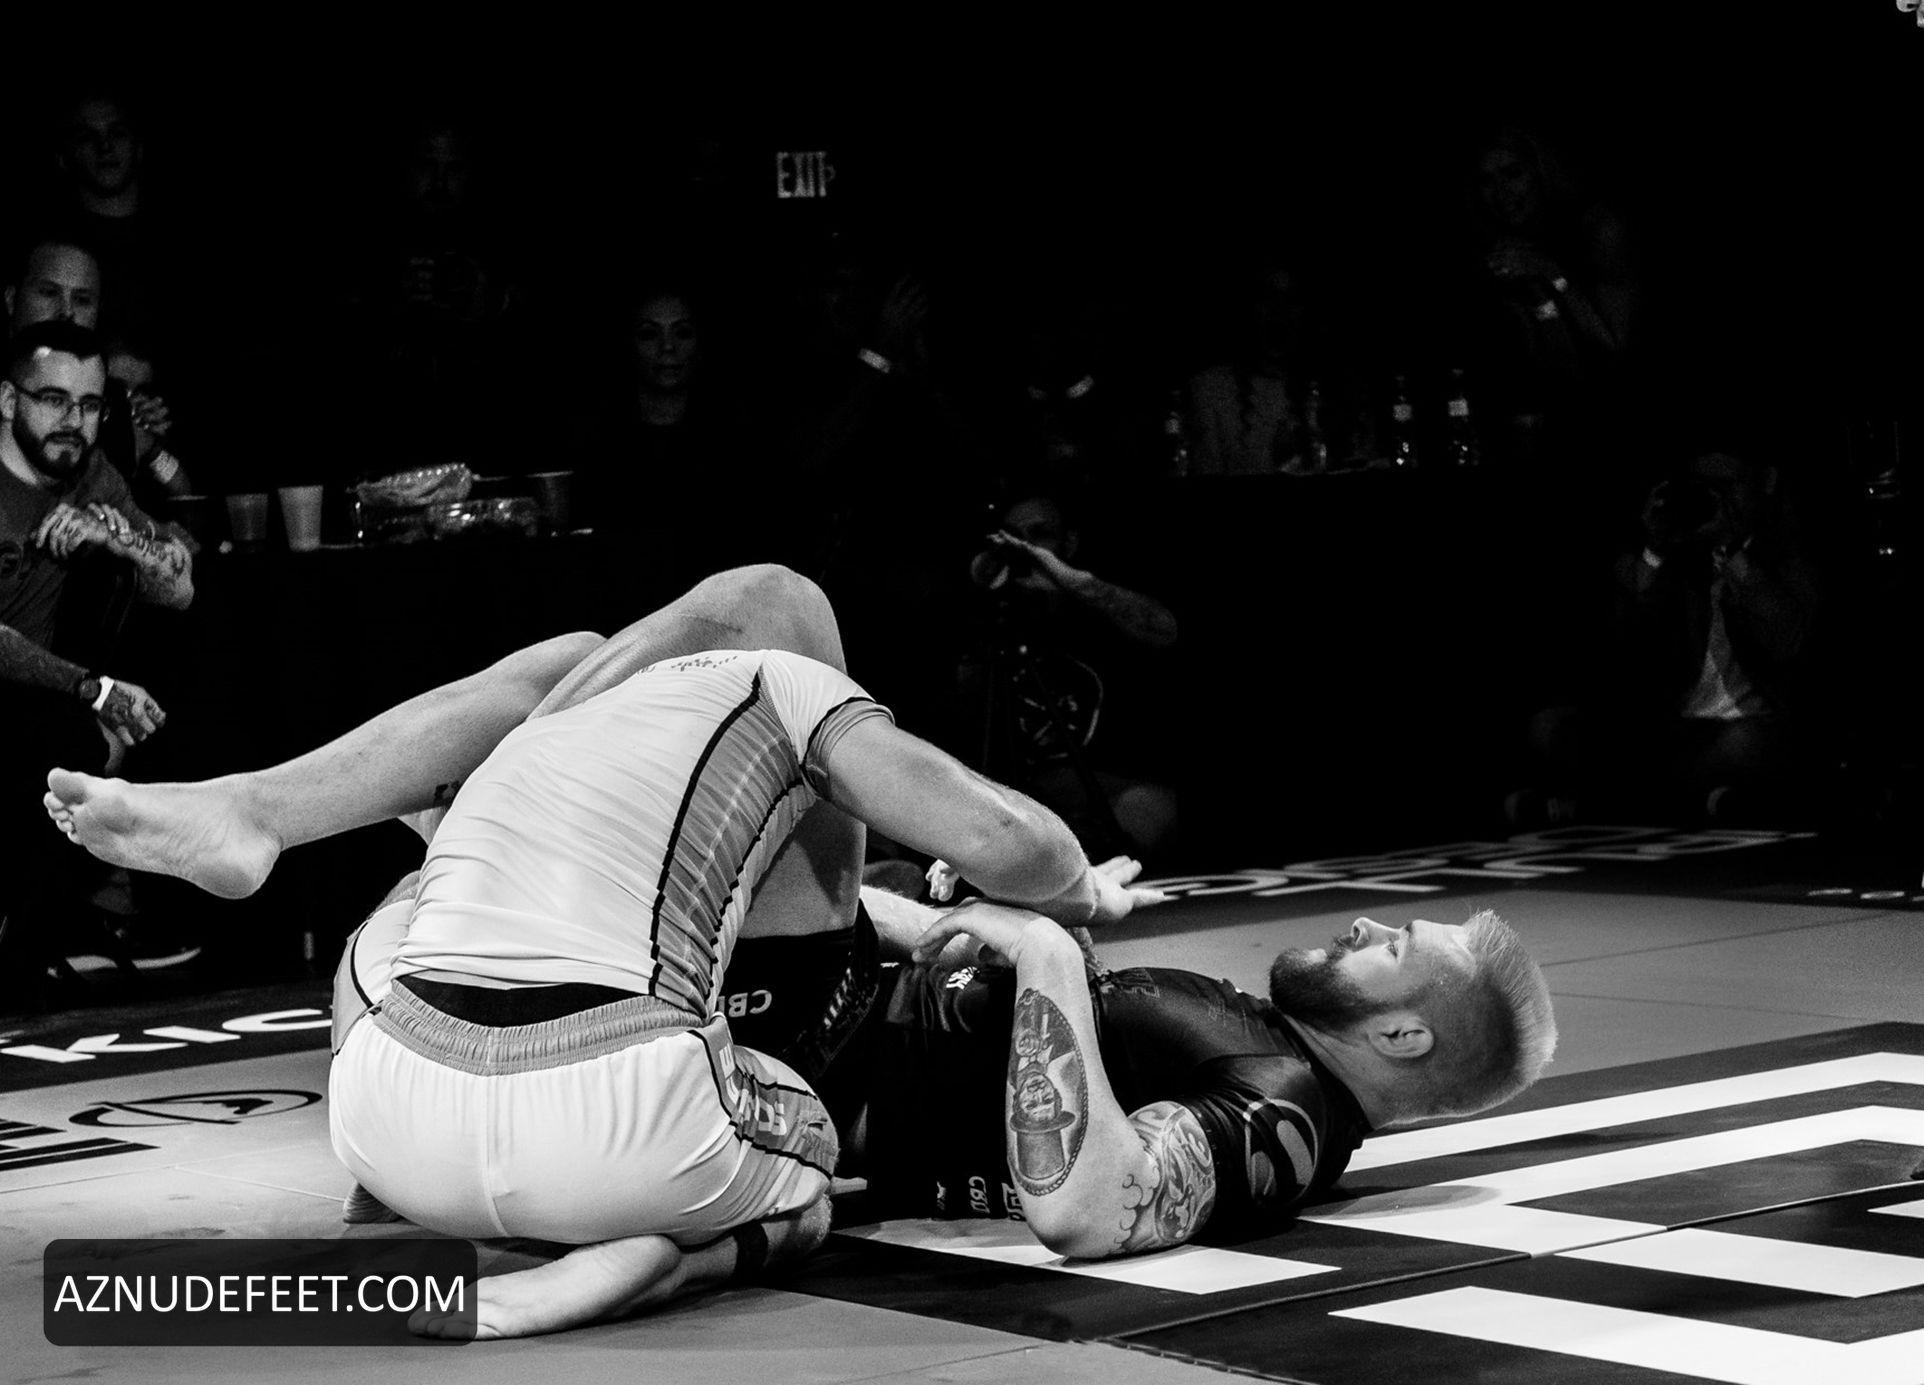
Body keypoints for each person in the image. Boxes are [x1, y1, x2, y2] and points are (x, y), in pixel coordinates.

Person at [45, 564, 1166, 1339]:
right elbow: (1011, 846)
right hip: (655, 1093)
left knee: (426, 880)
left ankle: (256, 811)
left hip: (395, 1115)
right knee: (812, 1184)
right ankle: (667, 1254)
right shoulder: (789, 689)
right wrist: (1074, 892)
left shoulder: (558, 757)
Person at [1, 321, 196, 1005]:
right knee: (69, 734)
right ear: (8, 400)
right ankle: (30, 948)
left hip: (38, 693)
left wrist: (116, 540)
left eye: (88, 405)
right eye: (53, 399)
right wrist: (92, 689)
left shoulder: (90, 476)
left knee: (158, 703)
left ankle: (64, 931)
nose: (73, 422)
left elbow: (179, 584)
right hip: (30, 687)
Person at [1518, 442, 1822, 824]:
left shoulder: (1791, 559)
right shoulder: (1678, 559)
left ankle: (1596, 803)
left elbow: (1789, 641)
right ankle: (1700, 801)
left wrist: (1733, 554)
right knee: (1551, 727)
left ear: (1766, 482)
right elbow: (1621, 648)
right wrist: (1655, 550)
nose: (1716, 499)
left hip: (1751, 725)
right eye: (1704, 487)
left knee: (1737, 746)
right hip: (1675, 728)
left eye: (1727, 486)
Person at [958, 490, 1181, 855]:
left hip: (1097, 790)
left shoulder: (1093, 611)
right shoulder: (984, 615)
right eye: (1013, 535)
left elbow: (1164, 630)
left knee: (1150, 806)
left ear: (1069, 541)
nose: (1025, 546)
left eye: (1039, 533)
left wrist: (1071, 582)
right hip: (1006, 794)